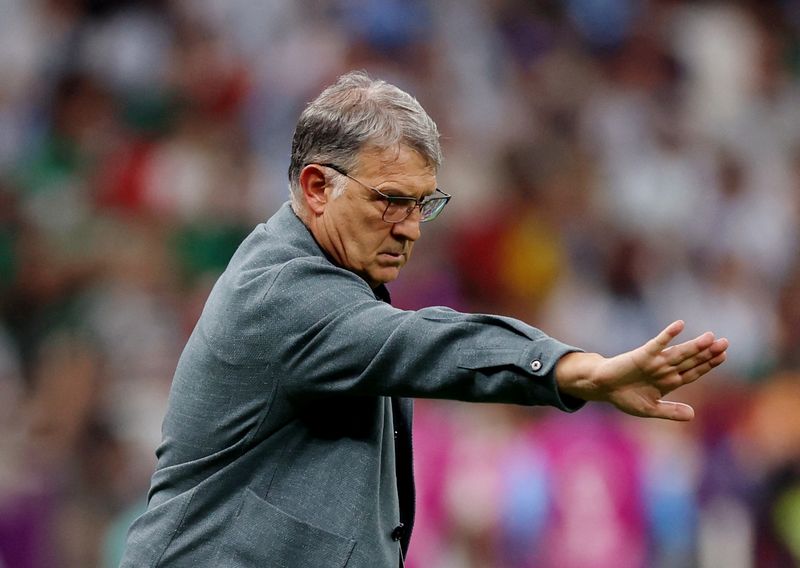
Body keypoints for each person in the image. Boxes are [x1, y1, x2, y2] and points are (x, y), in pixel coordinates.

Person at [119, 71, 728, 568]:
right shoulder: (280, 290)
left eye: (423, 204)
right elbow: (420, 342)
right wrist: (574, 370)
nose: (411, 228)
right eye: (391, 200)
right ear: (316, 187)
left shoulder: (340, 282)